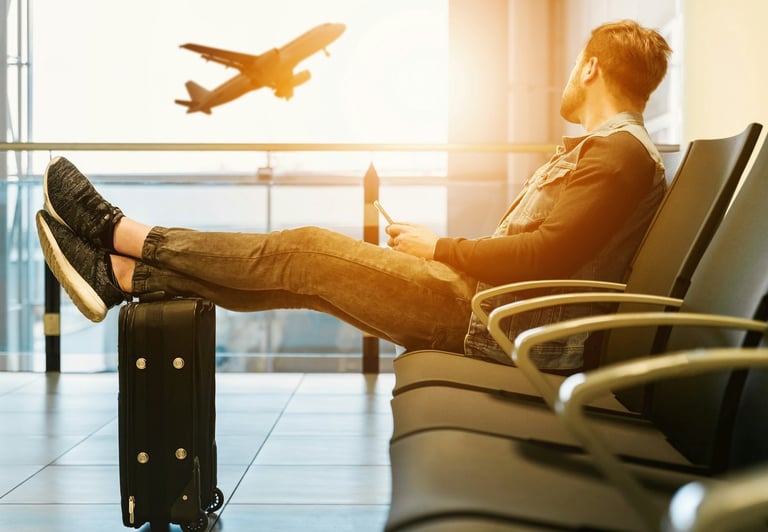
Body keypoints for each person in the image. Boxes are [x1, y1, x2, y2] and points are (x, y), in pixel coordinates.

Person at [37, 19, 672, 371]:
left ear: (591, 67)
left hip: (487, 320)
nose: (568, 77)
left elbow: (545, 256)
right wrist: (440, 251)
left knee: (303, 251)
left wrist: (440, 248)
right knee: (302, 279)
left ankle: (118, 232)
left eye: (575, 66)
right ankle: (123, 276)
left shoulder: (617, 154)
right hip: (487, 310)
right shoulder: (614, 153)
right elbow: (548, 253)